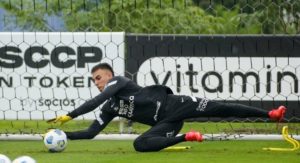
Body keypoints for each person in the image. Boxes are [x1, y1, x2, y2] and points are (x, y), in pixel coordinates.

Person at [47, 63, 286, 152]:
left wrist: (70, 114)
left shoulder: (118, 82)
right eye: (94, 80)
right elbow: (90, 133)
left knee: (220, 107)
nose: (97, 82)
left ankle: (270, 114)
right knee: (139, 145)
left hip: (177, 104)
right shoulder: (110, 106)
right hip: (168, 124)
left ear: (109, 75)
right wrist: (60, 134)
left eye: (98, 77)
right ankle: (186, 137)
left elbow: (96, 100)